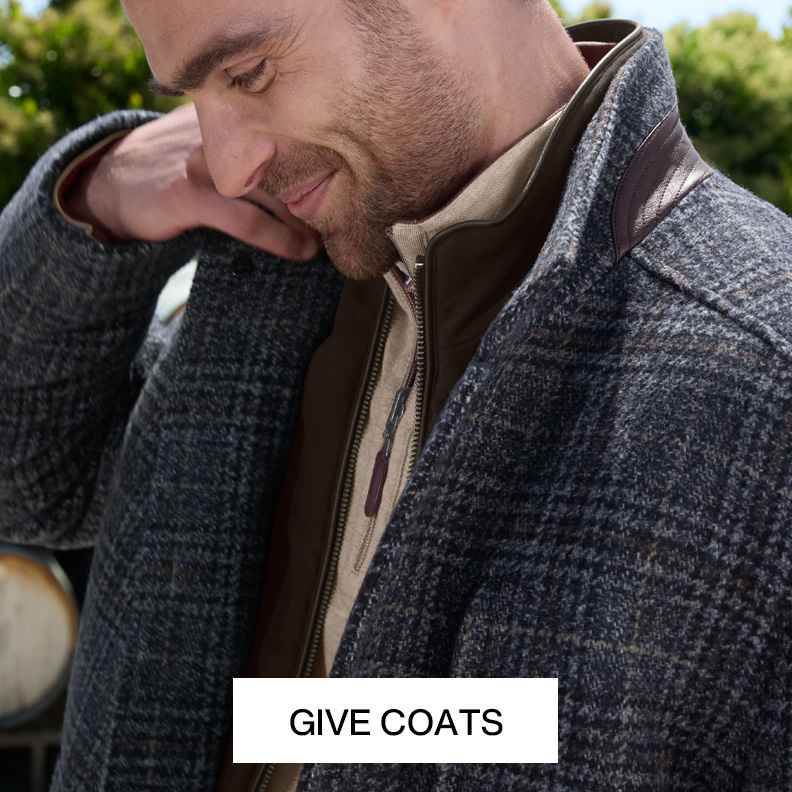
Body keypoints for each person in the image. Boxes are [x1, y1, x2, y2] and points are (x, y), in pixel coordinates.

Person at [1, 0, 791, 790]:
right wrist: (93, 200)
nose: (230, 162)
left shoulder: (761, 369)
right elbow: (25, 480)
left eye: (249, 73)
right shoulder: (260, 248)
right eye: (191, 97)